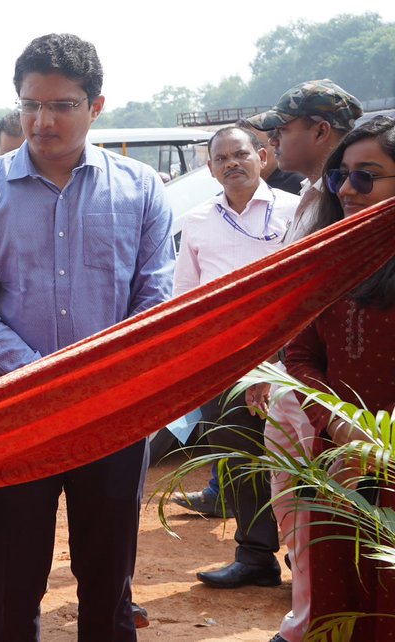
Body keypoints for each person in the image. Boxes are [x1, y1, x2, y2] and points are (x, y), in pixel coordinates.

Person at [0, 33, 174, 641]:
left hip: (114, 410)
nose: (42, 121)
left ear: (96, 106)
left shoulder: (141, 188)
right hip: (15, 409)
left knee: (109, 583)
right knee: (10, 585)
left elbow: (154, 298)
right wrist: (42, 379)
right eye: (31, 105)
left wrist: (96, 380)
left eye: (62, 106)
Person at [170, 126, 298, 591]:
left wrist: (280, 353)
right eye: (221, 158)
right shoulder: (198, 219)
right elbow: (186, 295)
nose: (231, 164)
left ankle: (306, 558)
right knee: (240, 458)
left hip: (290, 356)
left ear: (262, 157)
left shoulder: (295, 209)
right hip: (223, 359)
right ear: (210, 169)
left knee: (299, 456)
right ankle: (255, 558)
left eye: (240, 154)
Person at [283, 115, 395, 642]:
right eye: (340, 176)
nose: (347, 189)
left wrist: (379, 440)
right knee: (339, 599)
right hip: (338, 465)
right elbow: (300, 355)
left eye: (366, 176)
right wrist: (341, 425)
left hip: (388, 459)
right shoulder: (327, 261)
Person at [247, 79, 362, 239]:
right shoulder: (311, 190)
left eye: (281, 130)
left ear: (321, 132)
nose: (273, 141)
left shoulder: (348, 200)